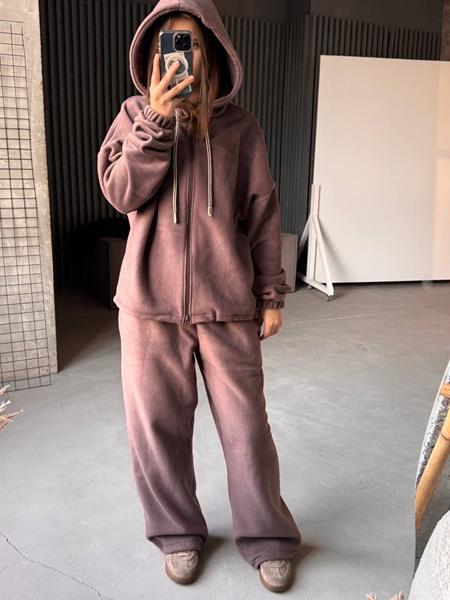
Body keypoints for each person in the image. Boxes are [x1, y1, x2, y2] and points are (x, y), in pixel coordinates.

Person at [97, 0, 302, 592]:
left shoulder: (241, 127)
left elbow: (262, 213)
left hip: (227, 304)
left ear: (210, 49)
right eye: (168, 44)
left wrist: (271, 293)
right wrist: (155, 123)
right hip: (148, 307)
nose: (177, 56)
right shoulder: (132, 116)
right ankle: (177, 533)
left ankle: (267, 538)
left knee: (247, 431)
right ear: (152, 54)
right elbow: (120, 193)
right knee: (156, 430)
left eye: (187, 42)